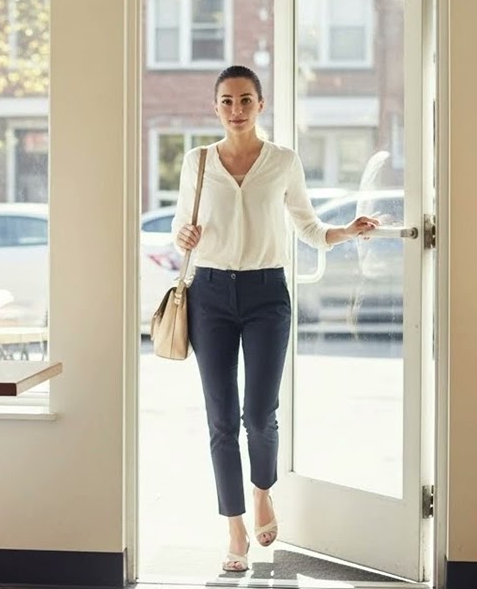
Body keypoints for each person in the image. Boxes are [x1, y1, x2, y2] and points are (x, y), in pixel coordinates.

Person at [172, 66, 378, 573]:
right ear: (215, 106)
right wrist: (184, 238)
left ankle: (262, 490)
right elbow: (181, 224)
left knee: (259, 413)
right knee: (221, 418)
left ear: (260, 105)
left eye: (245, 99)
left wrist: (345, 232)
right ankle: (234, 525)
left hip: (267, 294)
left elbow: (306, 226)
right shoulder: (197, 161)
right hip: (210, 295)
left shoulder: (283, 161)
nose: (236, 109)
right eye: (226, 101)